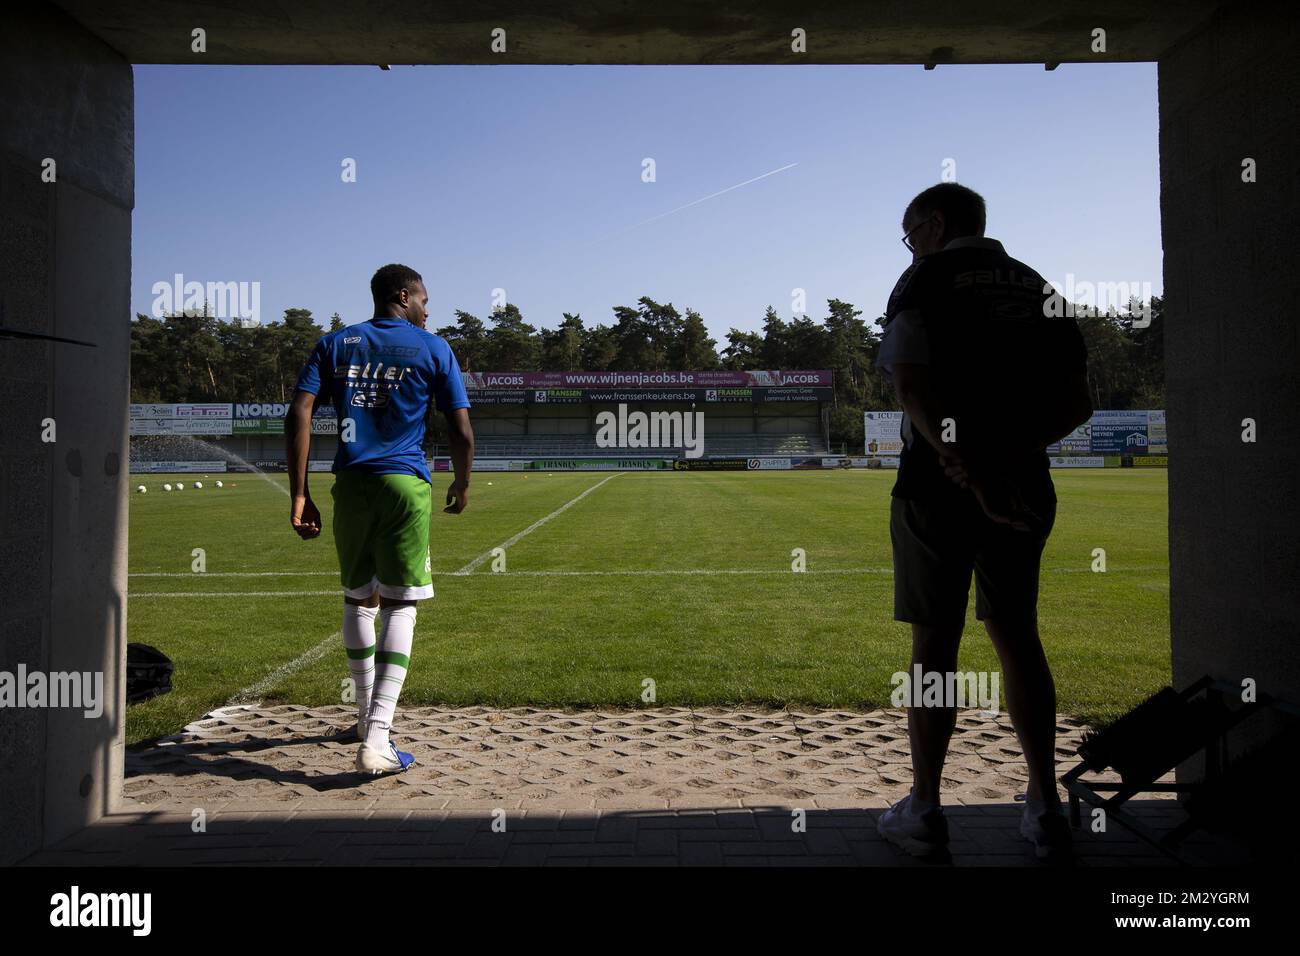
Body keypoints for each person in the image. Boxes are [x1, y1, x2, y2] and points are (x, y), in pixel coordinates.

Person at [872, 183, 1092, 861]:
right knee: (1018, 636)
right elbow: (1078, 403)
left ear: (935, 225)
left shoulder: (925, 279)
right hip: (1024, 483)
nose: (910, 246)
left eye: (911, 233)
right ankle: (1045, 807)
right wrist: (1003, 459)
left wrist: (961, 460)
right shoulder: (1036, 284)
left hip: (936, 487)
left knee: (935, 645)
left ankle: (926, 808)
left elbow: (910, 387)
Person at [286, 263, 474, 776]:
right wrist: (461, 481)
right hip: (404, 483)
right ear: (403, 295)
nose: (428, 310)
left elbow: (299, 411)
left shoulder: (335, 344)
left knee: (357, 597)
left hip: (351, 484)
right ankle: (378, 739)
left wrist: (299, 492)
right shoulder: (432, 347)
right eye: (424, 299)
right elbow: (460, 428)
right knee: (400, 603)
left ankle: (364, 718)